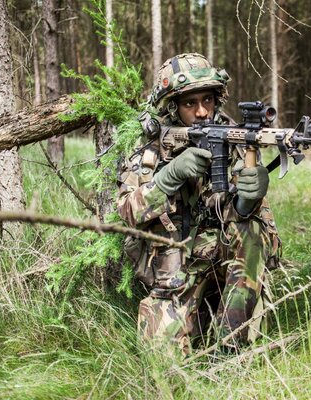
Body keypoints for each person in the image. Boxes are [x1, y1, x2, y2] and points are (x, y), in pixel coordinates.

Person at [117, 53, 281, 353]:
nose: (202, 111)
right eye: (190, 103)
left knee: (252, 235)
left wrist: (248, 199)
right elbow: (127, 211)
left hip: (218, 253)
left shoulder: (231, 142)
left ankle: (230, 350)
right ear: (173, 107)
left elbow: (235, 215)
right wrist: (169, 176)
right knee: (161, 366)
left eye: (208, 100)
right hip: (172, 270)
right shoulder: (151, 150)